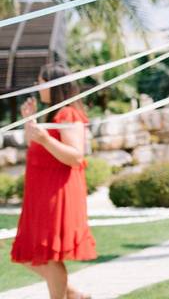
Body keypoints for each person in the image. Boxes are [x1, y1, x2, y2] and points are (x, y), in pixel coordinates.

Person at [11, 64, 95, 299]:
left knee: (48, 254)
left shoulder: (67, 114)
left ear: (53, 84)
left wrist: (46, 139)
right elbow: (34, 145)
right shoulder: (53, 113)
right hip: (42, 194)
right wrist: (30, 120)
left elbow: (76, 156)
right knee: (29, 252)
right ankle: (73, 294)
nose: (38, 86)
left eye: (41, 81)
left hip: (58, 193)